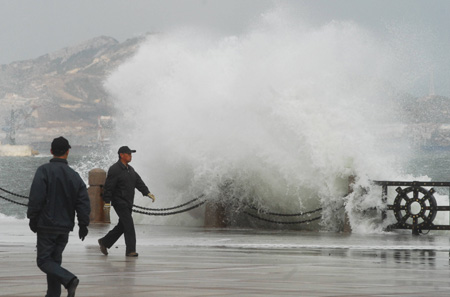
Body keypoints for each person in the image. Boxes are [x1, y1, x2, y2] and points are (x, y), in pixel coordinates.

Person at [27, 136, 91, 297]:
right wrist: (83, 224)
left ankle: (69, 279)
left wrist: (32, 219)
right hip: (64, 227)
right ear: (68, 152)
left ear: (51, 151)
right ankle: (53, 294)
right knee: (54, 263)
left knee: (43, 261)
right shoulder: (74, 175)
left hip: (46, 225)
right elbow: (83, 202)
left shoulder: (43, 170)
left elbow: (36, 198)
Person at [98, 146, 155, 257]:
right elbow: (109, 187)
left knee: (122, 225)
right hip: (119, 201)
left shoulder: (130, 169)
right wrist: (107, 201)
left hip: (128, 202)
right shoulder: (115, 169)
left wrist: (147, 192)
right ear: (121, 155)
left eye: (131, 154)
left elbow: (138, 182)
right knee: (129, 225)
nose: (130, 156)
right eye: (128, 154)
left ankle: (104, 242)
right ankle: (130, 250)